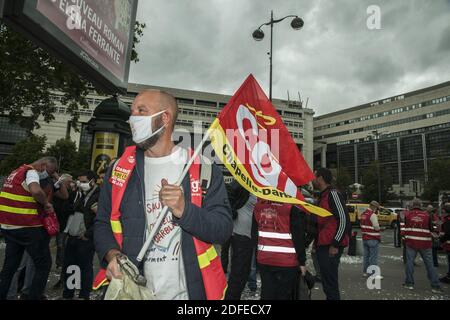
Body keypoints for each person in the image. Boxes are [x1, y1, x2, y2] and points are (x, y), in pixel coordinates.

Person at [94, 90, 232, 300]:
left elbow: (222, 229)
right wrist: (112, 255)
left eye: (142, 111)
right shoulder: (119, 169)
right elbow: (102, 223)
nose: (132, 119)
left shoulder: (203, 168)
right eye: (132, 112)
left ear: (165, 118)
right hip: (134, 292)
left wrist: (185, 210)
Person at [0, 157, 58, 300]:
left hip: (9, 226)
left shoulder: (16, 172)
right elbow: (36, 190)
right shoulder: (31, 172)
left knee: (10, 266)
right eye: (48, 171)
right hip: (28, 226)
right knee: (44, 264)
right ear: (43, 166)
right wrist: (46, 203)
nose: (47, 175)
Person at [252, 199, 307, 300]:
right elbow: (298, 237)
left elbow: (254, 235)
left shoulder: (258, 207)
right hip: (287, 262)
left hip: (265, 259)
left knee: (267, 293)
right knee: (284, 295)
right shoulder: (291, 207)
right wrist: (302, 262)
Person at [312, 168, 351, 300]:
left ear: (321, 178)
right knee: (327, 282)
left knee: (330, 282)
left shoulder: (333, 194)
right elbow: (320, 223)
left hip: (331, 246)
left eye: (314, 176)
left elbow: (344, 219)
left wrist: (335, 243)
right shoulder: (322, 196)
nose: (312, 178)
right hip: (323, 244)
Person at [62, 171, 100, 300]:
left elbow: (100, 219)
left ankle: (84, 295)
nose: (80, 184)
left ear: (92, 181)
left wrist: (89, 234)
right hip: (73, 236)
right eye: (79, 181)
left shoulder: (98, 195)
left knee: (84, 267)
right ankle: (68, 294)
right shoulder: (80, 194)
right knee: (70, 266)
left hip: (85, 238)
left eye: (83, 182)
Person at [401, 198, 442, 293]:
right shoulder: (427, 215)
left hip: (411, 243)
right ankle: (435, 285)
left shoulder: (407, 215)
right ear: (421, 205)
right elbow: (433, 229)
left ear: (412, 205)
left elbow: (403, 229)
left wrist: (405, 239)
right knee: (429, 264)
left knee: (410, 263)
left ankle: (409, 283)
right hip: (425, 243)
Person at [224, 181, 256, 300]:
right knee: (238, 274)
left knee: (243, 273)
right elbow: (227, 191)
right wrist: (231, 212)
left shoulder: (257, 183)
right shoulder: (244, 181)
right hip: (240, 235)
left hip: (248, 236)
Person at [361, 201, 383, 279]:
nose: (377, 210)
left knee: (366, 256)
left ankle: (365, 272)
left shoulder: (363, 214)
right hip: (373, 239)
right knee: (373, 257)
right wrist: (380, 228)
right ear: (374, 207)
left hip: (365, 238)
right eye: (377, 208)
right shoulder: (372, 215)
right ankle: (374, 274)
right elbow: (376, 226)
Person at [439, 203, 450, 284]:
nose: (442, 214)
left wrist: (441, 239)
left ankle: (449, 277)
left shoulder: (447, 220)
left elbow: (447, 234)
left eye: (443, 212)